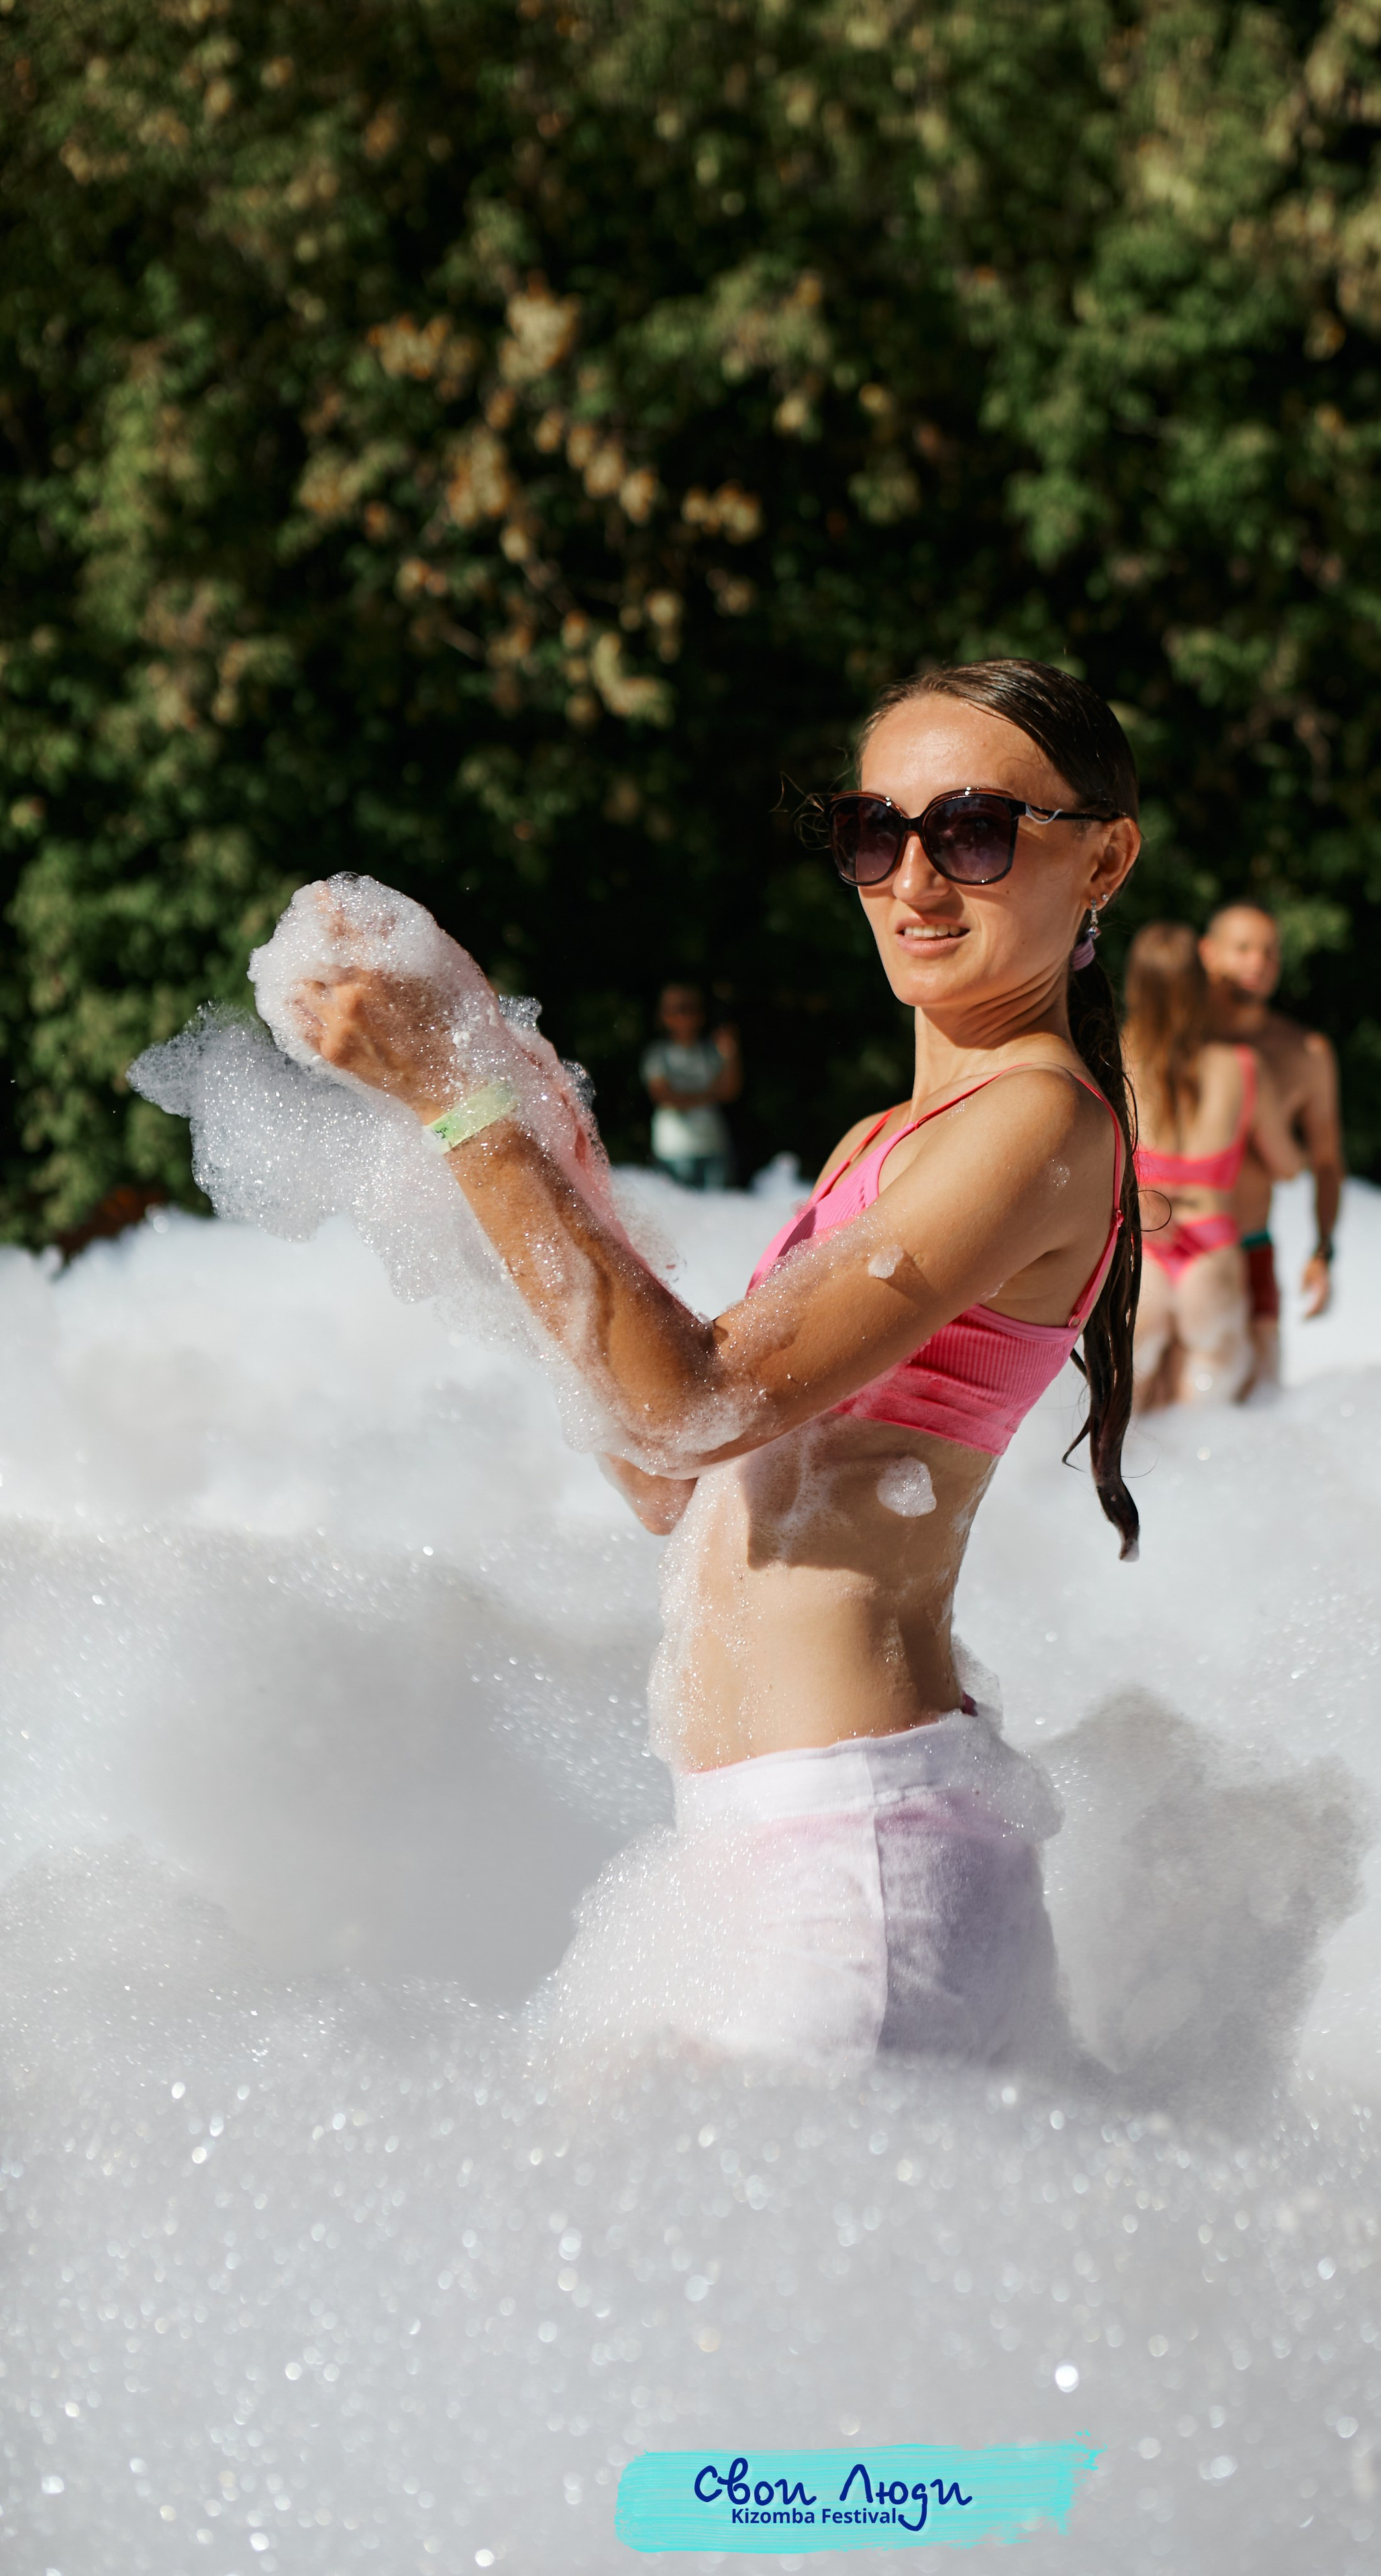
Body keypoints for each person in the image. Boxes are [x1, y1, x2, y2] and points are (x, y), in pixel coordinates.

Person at [283, 659, 1143, 2075]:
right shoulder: (882, 1142)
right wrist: (526, 1109)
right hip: (751, 1847)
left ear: (1100, 855)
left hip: (859, 1862)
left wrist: (463, 1099)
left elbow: (683, 1403)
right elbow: (662, 1475)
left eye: (974, 831)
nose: (914, 882)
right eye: (876, 834)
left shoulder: (1037, 1122)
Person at [1123, 923, 1300, 1409]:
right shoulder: (1241, 1067)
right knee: (1207, 1420)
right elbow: (1288, 1166)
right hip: (1212, 1244)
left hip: (1145, 1247)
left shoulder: (1112, 1061)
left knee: (1124, 1417)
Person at [1198, 903, 1345, 1389]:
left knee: (1258, 1413)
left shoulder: (1305, 1053)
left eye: (1270, 954)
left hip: (1253, 1247)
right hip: (1169, 1253)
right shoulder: (1170, 1041)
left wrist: (1323, 1249)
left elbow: (1326, 1162)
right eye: (1243, 949)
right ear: (1208, 953)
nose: (1258, 963)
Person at [641, 983, 741, 1189]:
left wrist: (731, 1055)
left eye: (689, 1008)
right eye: (677, 1009)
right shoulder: (658, 1054)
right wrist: (711, 1095)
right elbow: (664, 1096)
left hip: (713, 1146)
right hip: (673, 1150)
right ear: (663, 1015)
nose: (684, 1015)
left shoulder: (711, 1052)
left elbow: (730, 1091)